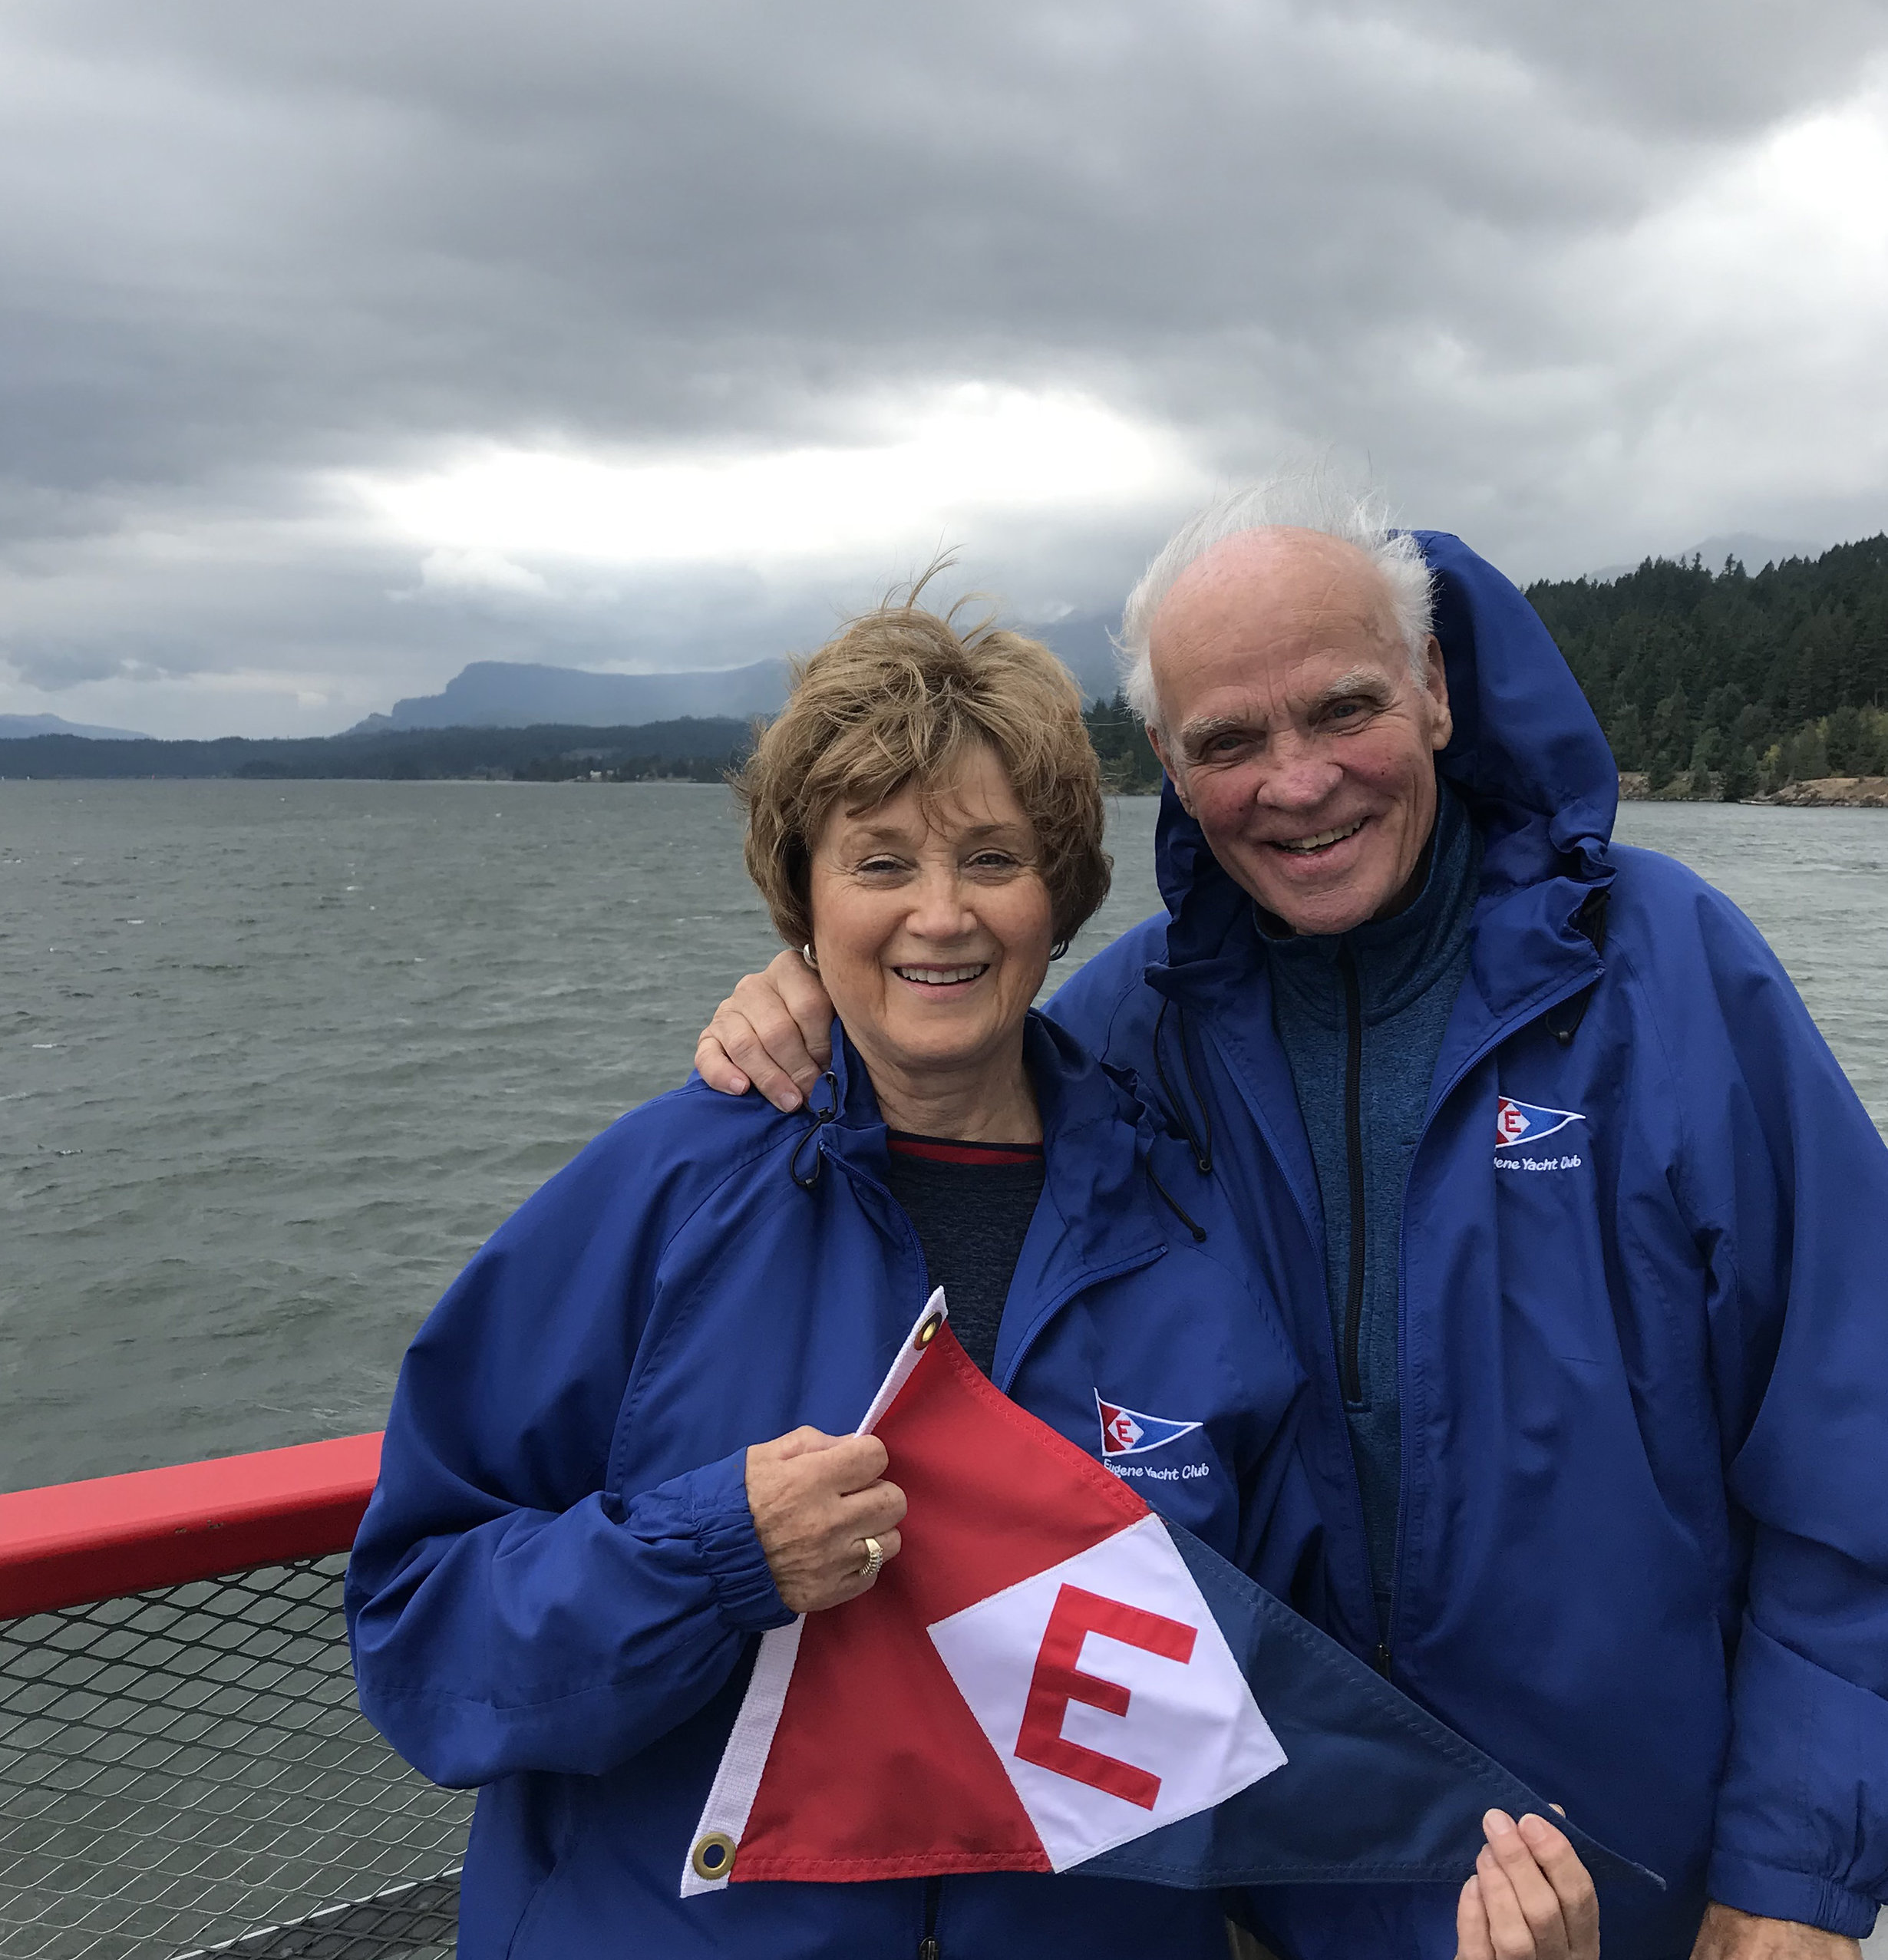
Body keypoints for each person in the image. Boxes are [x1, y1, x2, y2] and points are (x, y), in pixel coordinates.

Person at [694, 483, 1888, 1960]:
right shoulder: (1119, 1039)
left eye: (1343, 709)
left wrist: (1793, 1874)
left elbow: (1855, 1435)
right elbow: (936, 1184)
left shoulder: (1673, 977)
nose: (1300, 781)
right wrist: (810, 1010)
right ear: (1173, 772)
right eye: (1229, 742)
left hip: (1652, 1888)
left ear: (1437, 693)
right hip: (1270, 1889)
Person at [347, 596, 1594, 1959]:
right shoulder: (660, 1202)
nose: (939, 917)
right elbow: (418, 1630)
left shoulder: (1189, 1239)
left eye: (992, 858)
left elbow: (1279, 1722)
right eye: (879, 863)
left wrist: (1449, 1930)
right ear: (803, 900)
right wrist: (714, 1562)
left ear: (1058, 896)